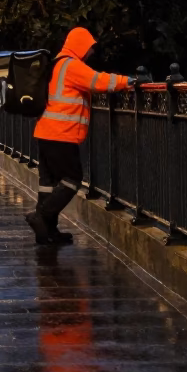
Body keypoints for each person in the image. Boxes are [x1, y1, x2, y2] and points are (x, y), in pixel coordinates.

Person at [26, 27, 135, 244]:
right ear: (80, 46)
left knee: (48, 182)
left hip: (45, 130)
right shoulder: (71, 65)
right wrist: (128, 82)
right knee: (72, 178)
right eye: (89, 48)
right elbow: (98, 81)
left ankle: (47, 232)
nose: (90, 53)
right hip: (61, 133)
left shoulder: (56, 63)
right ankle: (42, 216)